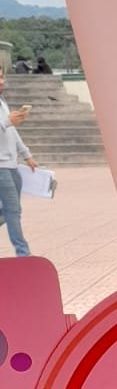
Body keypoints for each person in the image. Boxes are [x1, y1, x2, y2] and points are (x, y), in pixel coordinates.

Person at [0, 68, 37, 257]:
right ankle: (23, 253)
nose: (1, 81)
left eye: (1, 76)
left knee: (10, 210)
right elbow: (5, 126)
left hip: (11, 165)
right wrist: (6, 122)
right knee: (12, 211)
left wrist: (26, 154)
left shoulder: (2, 102)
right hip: (1, 167)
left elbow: (11, 132)